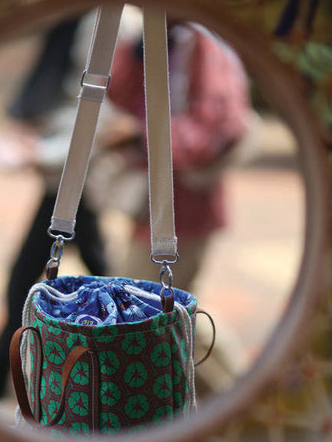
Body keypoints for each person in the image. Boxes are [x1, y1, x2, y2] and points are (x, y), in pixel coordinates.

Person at [0, 15, 108, 401]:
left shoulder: (110, 22)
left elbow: (101, 112)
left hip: (80, 178)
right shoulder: (86, 19)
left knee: (106, 283)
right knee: (43, 279)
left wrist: (41, 151)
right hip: (67, 178)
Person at [103, 20, 251, 291]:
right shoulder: (159, 37)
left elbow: (215, 129)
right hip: (152, 209)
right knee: (153, 312)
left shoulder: (204, 47)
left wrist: (141, 134)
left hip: (185, 211)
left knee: (152, 314)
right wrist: (138, 50)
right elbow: (116, 92)